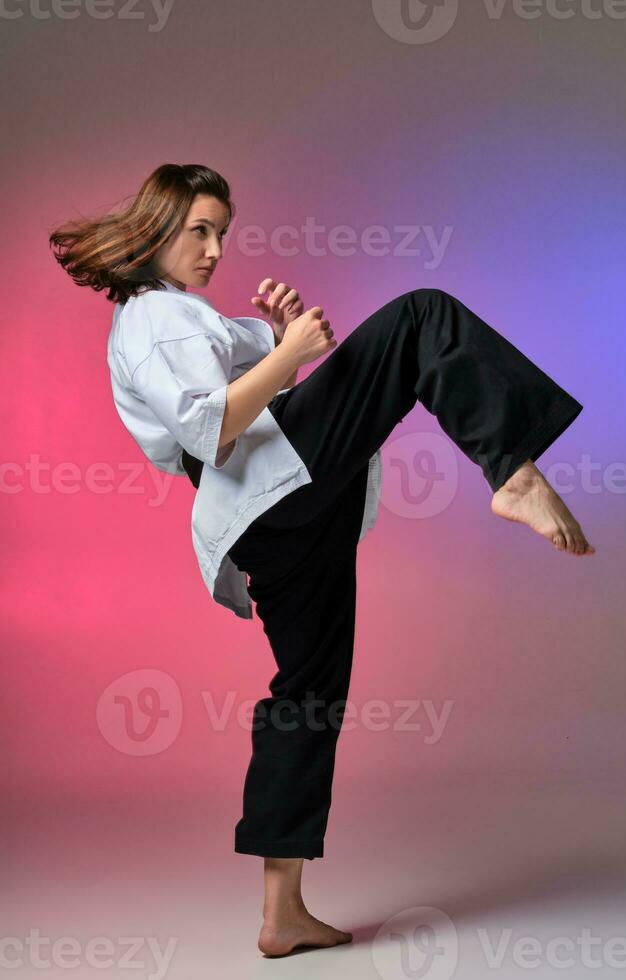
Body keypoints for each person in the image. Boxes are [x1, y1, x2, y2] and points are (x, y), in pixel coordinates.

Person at [49, 163, 595, 958]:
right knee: (421, 317)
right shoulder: (153, 318)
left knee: (305, 695)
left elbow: (259, 375)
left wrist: (277, 334)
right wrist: (291, 349)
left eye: (221, 233)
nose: (213, 249)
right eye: (198, 230)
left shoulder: (180, 315)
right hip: (266, 485)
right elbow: (214, 429)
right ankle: (513, 473)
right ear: (156, 230)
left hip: (279, 512)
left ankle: (283, 914)